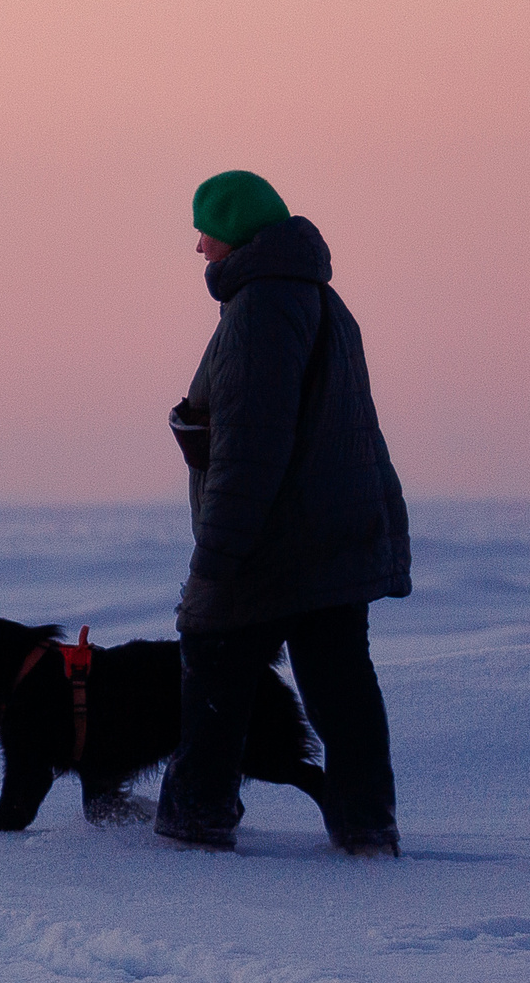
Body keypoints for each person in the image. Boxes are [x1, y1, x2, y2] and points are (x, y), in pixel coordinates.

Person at [156, 170, 408, 856]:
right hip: (336, 538)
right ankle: (367, 826)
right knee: (341, 685)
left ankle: (195, 821)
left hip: (273, 541)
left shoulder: (261, 309)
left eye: (204, 231)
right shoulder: (322, 302)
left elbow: (252, 445)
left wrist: (217, 552)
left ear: (232, 233)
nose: (200, 248)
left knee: (213, 663)